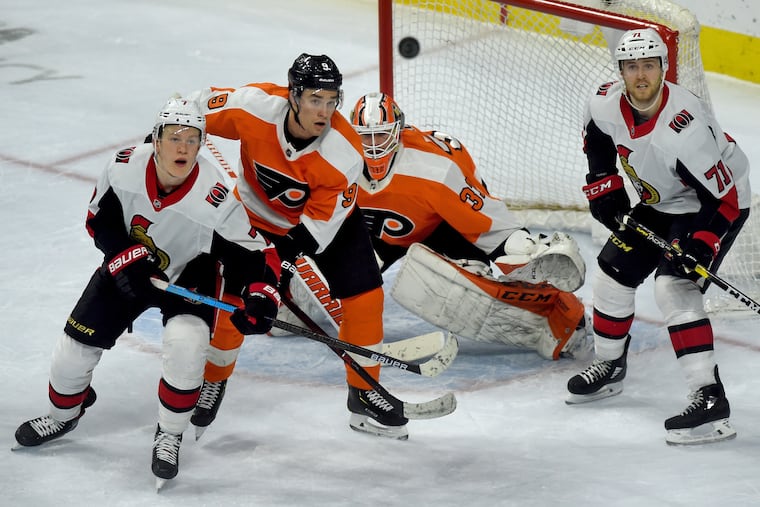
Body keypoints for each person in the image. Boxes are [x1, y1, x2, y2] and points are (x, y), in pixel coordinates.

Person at [13, 99, 282, 486]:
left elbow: (255, 255)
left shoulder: (216, 196)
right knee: (71, 354)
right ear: (156, 140)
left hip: (189, 274)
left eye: (193, 139)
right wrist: (127, 257)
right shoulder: (123, 167)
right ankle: (63, 416)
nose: (184, 148)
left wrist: (259, 295)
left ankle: (169, 434)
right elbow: (99, 221)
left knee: (187, 348)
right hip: (127, 270)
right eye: (175, 138)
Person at [187, 54, 409, 440]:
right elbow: (192, 110)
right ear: (293, 96)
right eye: (314, 99)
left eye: (331, 100)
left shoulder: (343, 152)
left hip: (327, 224)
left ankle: (363, 391)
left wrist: (277, 270)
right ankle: (214, 378)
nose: (324, 111)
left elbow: (314, 230)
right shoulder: (251, 107)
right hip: (255, 217)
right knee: (238, 298)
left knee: (366, 297)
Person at [566, 28, 751, 445]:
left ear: (664, 68)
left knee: (674, 288)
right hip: (663, 199)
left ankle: (709, 397)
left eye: (649, 65)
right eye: (631, 67)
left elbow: (724, 198)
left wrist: (701, 243)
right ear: (621, 71)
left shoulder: (684, 128)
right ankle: (610, 366)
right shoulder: (603, 102)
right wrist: (604, 185)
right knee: (611, 276)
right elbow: (597, 139)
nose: (641, 75)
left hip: (716, 202)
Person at [348, 92, 589, 360]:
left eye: (380, 135)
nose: (372, 146)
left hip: (440, 230)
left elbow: (489, 225)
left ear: (398, 131)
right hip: (373, 236)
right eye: (364, 136)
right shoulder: (339, 160)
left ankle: (562, 315)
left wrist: (523, 249)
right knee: (313, 287)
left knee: (459, 293)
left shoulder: (435, 168)